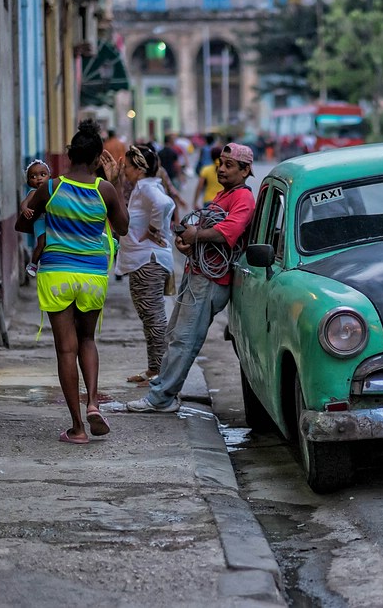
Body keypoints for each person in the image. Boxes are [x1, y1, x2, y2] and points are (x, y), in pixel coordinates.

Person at [14, 119, 129, 444]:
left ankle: (78, 428)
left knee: (66, 350)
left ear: (68, 155)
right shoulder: (103, 189)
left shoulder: (49, 188)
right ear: (96, 159)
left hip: (57, 274)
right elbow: (121, 227)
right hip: (93, 275)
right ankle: (93, 403)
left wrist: (31, 206)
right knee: (88, 340)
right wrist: (116, 183)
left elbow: (23, 226)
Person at [126, 143, 257, 413]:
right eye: (221, 163)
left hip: (210, 281)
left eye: (229, 165)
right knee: (175, 334)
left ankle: (161, 398)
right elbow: (205, 229)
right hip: (197, 273)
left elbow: (226, 232)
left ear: (245, 171)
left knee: (184, 339)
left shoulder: (242, 198)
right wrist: (188, 241)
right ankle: (164, 389)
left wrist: (194, 235)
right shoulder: (224, 195)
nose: (221, 168)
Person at [115, 145, 176, 385]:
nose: (125, 170)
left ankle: (161, 373)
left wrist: (153, 230)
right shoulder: (143, 187)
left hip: (148, 261)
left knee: (154, 318)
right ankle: (154, 369)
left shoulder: (148, 188)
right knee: (150, 318)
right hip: (143, 260)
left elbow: (165, 204)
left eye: (128, 167)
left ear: (139, 169)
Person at [20, 159, 50, 277]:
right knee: (42, 242)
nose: (39, 178)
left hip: (50, 220)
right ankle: (33, 264)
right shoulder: (33, 192)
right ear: (28, 181)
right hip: (40, 221)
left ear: (49, 176)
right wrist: (25, 210)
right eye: (33, 176)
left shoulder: (50, 190)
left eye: (43, 175)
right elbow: (23, 204)